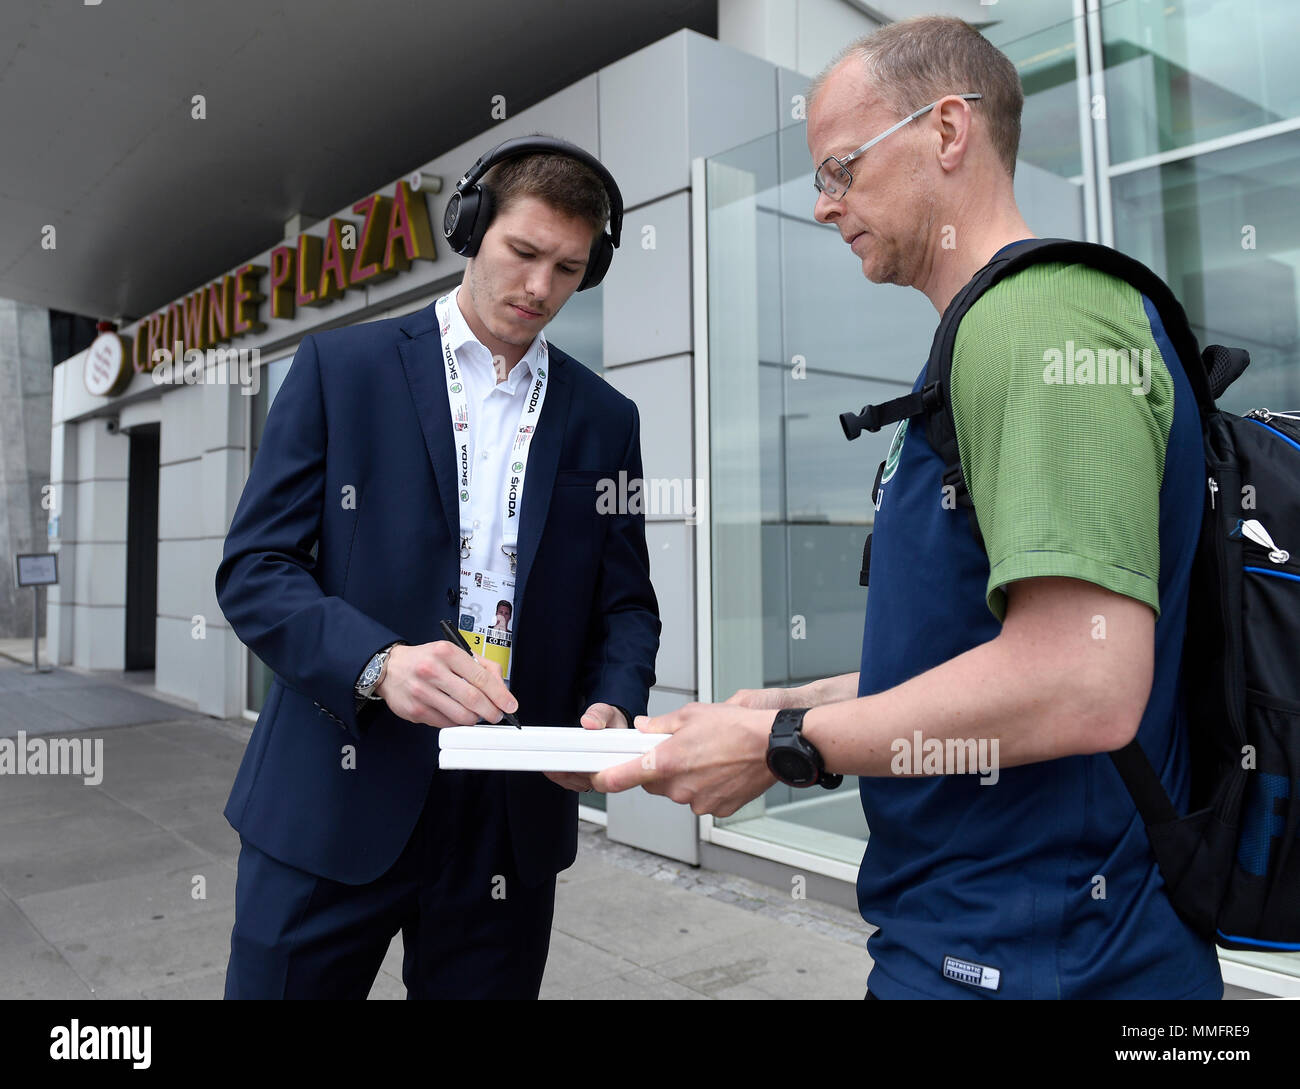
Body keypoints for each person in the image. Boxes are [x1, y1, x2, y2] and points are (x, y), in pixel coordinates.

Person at [594, 17, 1223, 1000]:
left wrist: (786, 748)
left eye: (841, 166)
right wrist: (795, 710)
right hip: (979, 946)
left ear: (944, 132)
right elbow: (980, 650)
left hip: (1042, 962)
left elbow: (1081, 681)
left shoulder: (1042, 316)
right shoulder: (987, 334)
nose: (820, 204)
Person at [217, 135, 660, 999]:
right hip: (332, 798)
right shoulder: (337, 370)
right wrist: (377, 664)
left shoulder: (607, 418)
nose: (540, 288)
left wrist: (612, 702)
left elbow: (627, 605)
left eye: (568, 269)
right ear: (470, 229)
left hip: (507, 821)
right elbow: (256, 568)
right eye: (523, 253)